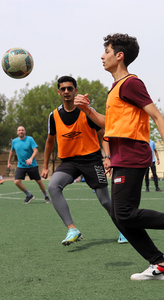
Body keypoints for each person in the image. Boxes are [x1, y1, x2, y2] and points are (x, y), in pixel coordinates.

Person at [74, 33, 164, 280]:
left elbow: (157, 116)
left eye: (107, 51)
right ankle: (160, 265)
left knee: (123, 213)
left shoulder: (131, 84)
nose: (102, 56)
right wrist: (87, 110)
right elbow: (110, 124)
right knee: (119, 215)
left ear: (119, 55)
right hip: (121, 155)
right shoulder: (115, 89)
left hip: (133, 153)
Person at [41, 76, 127, 246]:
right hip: (69, 162)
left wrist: (107, 157)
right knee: (53, 186)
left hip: (92, 160)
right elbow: (50, 141)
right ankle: (72, 229)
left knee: (105, 200)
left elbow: (104, 134)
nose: (66, 91)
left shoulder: (86, 111)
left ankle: (124, 228)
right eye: (63, 89)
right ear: (59, 92)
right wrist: (44, 166)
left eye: (70, 88)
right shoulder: (54, 115)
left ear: (75, 91)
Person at [7, 126, 50, 204]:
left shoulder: (30, 139)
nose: (21, 131)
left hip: (32, 165)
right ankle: (29, 195)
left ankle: (46, 196)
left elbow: (36, 150)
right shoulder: (14, 141)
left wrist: (31, 159)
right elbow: (11, 151)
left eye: (22, 130)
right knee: (16, 182)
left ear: (25, 132)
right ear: (17, 132)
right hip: (21, 166)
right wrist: (9, 162)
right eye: (19, 130)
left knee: (39, 181)